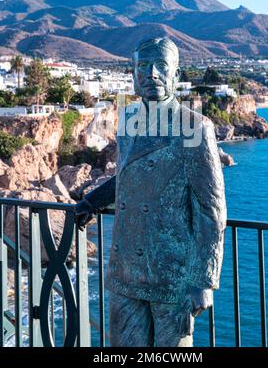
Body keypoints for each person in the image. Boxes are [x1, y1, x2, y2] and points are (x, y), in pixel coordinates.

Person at [75, 37, 227, 347]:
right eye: (143, 66)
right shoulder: (128, 118)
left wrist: (203, 280)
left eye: (161, 66)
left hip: (172, 276)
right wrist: (93, 200)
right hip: (125, 271)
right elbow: (128, 177)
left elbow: (211, 210)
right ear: (133, 74)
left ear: (175, 73)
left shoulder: (195, 127)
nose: (151, 73)